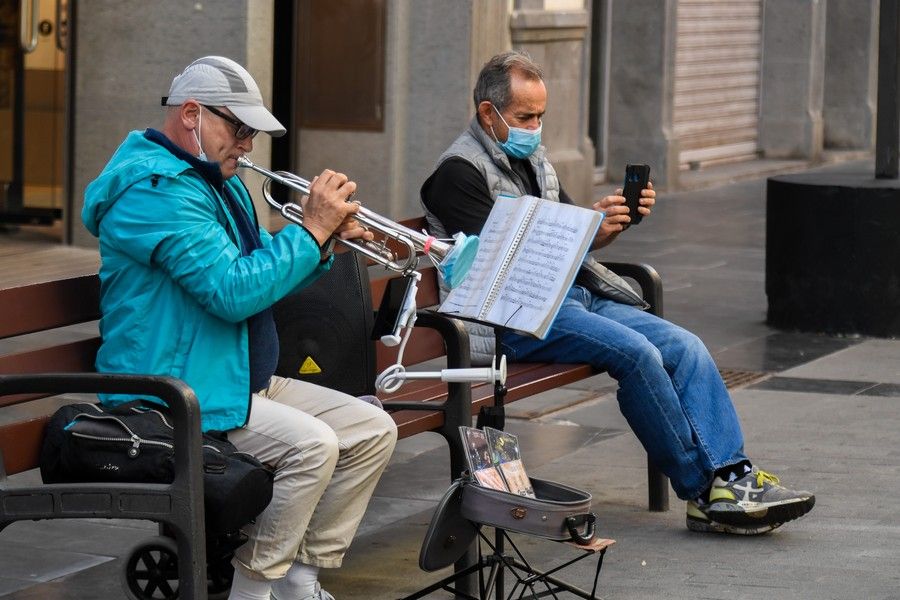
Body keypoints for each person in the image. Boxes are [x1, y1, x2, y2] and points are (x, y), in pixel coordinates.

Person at [421, 50, 815, 536]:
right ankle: (704, 492)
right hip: (513, 317)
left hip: (570, 298)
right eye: (526, 117)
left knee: (685, 346)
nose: (536, 127)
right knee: (639, 355)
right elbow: (506, 266)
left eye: (542, 115)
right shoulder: (456, 174)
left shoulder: (535, 160)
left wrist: (606, 224)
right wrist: (582, 233)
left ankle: (731, 474)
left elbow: (566, 237)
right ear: (488, 113)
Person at [82, 56, 397, 600]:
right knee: (313, 446)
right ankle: (252, 590)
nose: (249, 145)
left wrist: (324, 244)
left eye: (253, 132)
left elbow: (257, 276)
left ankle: (300, 577)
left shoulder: (215, 182)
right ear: (190, 114)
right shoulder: (153, 190)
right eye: (240, 128)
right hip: (170, 390)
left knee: (371, 429)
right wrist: (312, 230)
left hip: (229, 372)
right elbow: (231, 293)